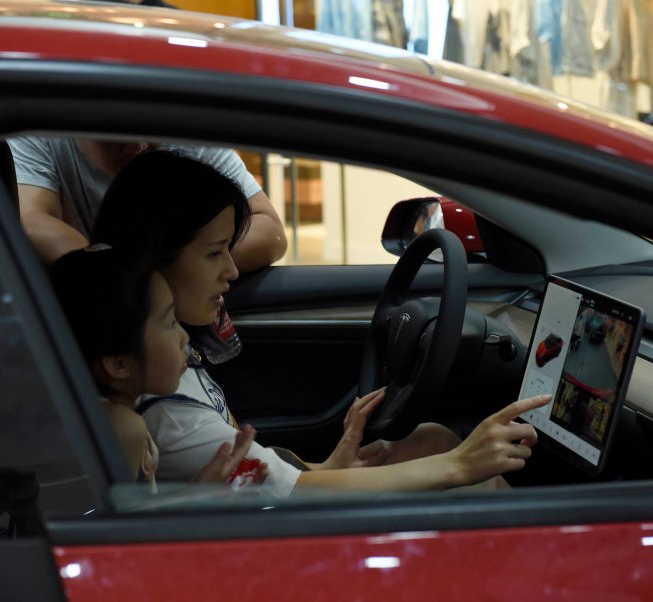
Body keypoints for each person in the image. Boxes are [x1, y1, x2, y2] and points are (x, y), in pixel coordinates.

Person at [92, 149, 551, 497]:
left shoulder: (172, 361)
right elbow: (290, 496)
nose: (231, 270)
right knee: (464, 470)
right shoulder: (172, 414)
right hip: (279, 539)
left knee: (431, 439)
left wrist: (330, 464)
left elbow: (263, 479)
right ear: (156, 256)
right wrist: (462, 465)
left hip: (265, 512)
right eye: (214, 253)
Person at [48, 244, 269, 491]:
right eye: (170, 323)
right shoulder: (121, 427)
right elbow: (122, 519)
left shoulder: (100, 418)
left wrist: (203, 490)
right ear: (119, 364)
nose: (184, 337)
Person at [9, 136, 287, 271]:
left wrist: (174, 270)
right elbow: (32, 220)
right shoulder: (41, 131)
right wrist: (121, 281)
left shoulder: (184, 134)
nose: (139, 146)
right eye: (118, 136)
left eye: (148, 129)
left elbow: (268, 229)